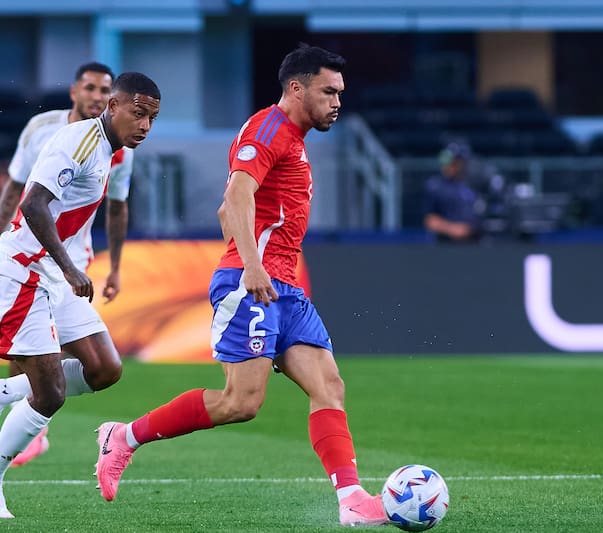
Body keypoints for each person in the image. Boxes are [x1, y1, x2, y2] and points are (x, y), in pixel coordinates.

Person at [93, 44, 388, 528]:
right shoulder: (269, 128)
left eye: (340, 92)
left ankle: (351, 500)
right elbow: (236, 195)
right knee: (241, 403)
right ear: (296, 88)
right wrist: (251, 265)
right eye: (328, 91)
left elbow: (228, 209)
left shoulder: (292, 138)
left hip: (286, 288)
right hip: (252, 283)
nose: (338, 101)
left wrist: (254, 248)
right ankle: (123, 437)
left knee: (329, 386)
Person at [0, 72, 161, 519]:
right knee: (49, 393)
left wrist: (80, 268)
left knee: (106, 368)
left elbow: (110, 208)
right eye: (138, 113)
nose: (145, 126)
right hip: (21, 273)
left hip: (51, 274)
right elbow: (31, 204)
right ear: (113, 106)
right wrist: (71, 268)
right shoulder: (81, 143)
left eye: (152, 118)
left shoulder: (111, 151)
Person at [0, 62, 135, 466]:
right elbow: (19, 190)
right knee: (41, 371)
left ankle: (7, 398)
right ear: (74, 92)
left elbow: (117, 207)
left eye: (104, 89)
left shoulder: (119, 149)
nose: (97, 95)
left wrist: (113, 266)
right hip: (34, 259)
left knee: (103, 368)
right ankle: (21, 434)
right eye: (91, 88)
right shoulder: (46, 131)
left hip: (70, 263)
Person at [422, 142, 481, 242]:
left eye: (453, 162)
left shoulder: (475, 183)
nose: (447, 165)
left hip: (476, 243)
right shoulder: (435, 186)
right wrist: (452, 229)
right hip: (446, 245)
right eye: (445, 160)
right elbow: (430, 220)